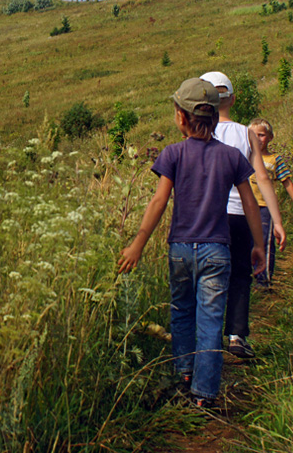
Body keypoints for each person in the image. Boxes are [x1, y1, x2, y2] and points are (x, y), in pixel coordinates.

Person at [118, 78, 266, 408]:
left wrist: (137, 244)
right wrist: (258, 244)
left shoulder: (172, 154)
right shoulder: (231, 156)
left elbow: (158, 202)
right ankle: (204, 394)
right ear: (214, 117)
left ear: (181, 119)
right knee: (211, 321)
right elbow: (251, 203)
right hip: (217, 250)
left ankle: (184, 374)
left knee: (182, 314)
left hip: (181, 250)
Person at [200, 71, 285, 359]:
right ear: (232, 99)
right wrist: (278, 220)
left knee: (209, 276)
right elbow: (262, 178)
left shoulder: (198, 131)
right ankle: (237, 335)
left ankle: (208, 341)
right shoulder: (245, 133)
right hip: (238, 215)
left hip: (206, 216)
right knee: (239, 274)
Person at [247, 118, 293, 287]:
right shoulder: (245, 155)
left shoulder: (275, 159)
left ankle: (264, 280)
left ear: (270, 137)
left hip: (266, 208)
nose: (258, 138)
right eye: (254, 135)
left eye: (262, 135)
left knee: (265, 241)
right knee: (246, 241)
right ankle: (246, 277)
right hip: (246, 207)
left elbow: (286, 181)